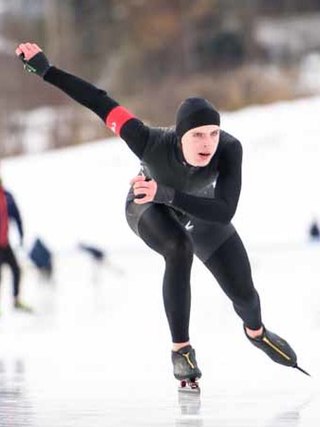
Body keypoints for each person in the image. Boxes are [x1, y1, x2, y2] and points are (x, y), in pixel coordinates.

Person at [15, 42, 308, 382]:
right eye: (198, 135)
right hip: (147, 205)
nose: (207, 144)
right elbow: (97, 99)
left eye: (213, 134)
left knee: (245, 294)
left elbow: (225, 212)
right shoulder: (146, 139)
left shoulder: (230, 149)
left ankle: (256, 333)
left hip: (199, 209)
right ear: (180, 135)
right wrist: (47, 70)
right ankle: (181, 350)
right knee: (179, 249)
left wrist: (169, 193)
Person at [0, 178, 32, 313]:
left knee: (16, 270)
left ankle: (16, 300)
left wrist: (21, 235)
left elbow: (17, 216)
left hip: (5, 244)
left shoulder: (7, 197)